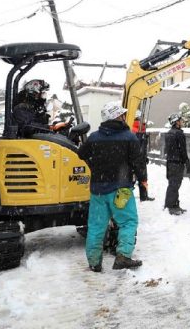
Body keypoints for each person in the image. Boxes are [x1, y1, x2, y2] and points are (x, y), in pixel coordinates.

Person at [78, 101, 147, 272]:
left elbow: (81, 154)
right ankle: (123, 256)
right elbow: (138, 162)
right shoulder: (129, 137)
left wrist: (95, 162)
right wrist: (143, 179)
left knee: (96, 226)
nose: (124, 117)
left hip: (98, 191)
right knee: (128, 222)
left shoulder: (94, 137)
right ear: (118, 116)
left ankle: (94, 263)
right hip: (121, 190)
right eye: (122, 114)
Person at [164, 113, 190, 215]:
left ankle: (174, 204)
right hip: (177, 163)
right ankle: (171, 206)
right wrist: (187, 162)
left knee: (173, 184)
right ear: (176, 122)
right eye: (180, 120)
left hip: (170, 163)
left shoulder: (169, 133)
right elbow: (182, 150)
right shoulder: (179, 134)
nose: (182, 122)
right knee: (174, 185)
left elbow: (168, 150)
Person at [131, 110, 154, 202]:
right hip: (139, 159)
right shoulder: (137, 130)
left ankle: (130, 196)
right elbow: (140, 147)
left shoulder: (137, 129)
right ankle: (144, 196)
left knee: (134, 179)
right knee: (142, 178)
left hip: (138, 158)